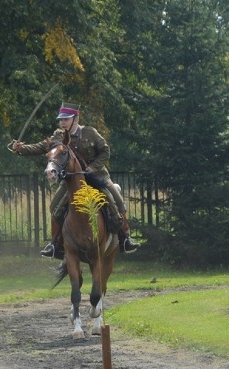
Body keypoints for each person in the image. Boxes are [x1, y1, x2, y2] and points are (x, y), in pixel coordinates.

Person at [9, 102, 140, 258]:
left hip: (96, 177)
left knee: (116, 200)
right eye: (60, 120)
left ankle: (125, 238)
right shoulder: (58, 136)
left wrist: (93, 167)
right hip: (72, 181)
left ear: (75, 119)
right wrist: (20, 148)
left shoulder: (90, 133)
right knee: (55, 208)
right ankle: (55, 244)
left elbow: (105, 151)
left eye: (66, 119)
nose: (62, 123)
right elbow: (40, 147)